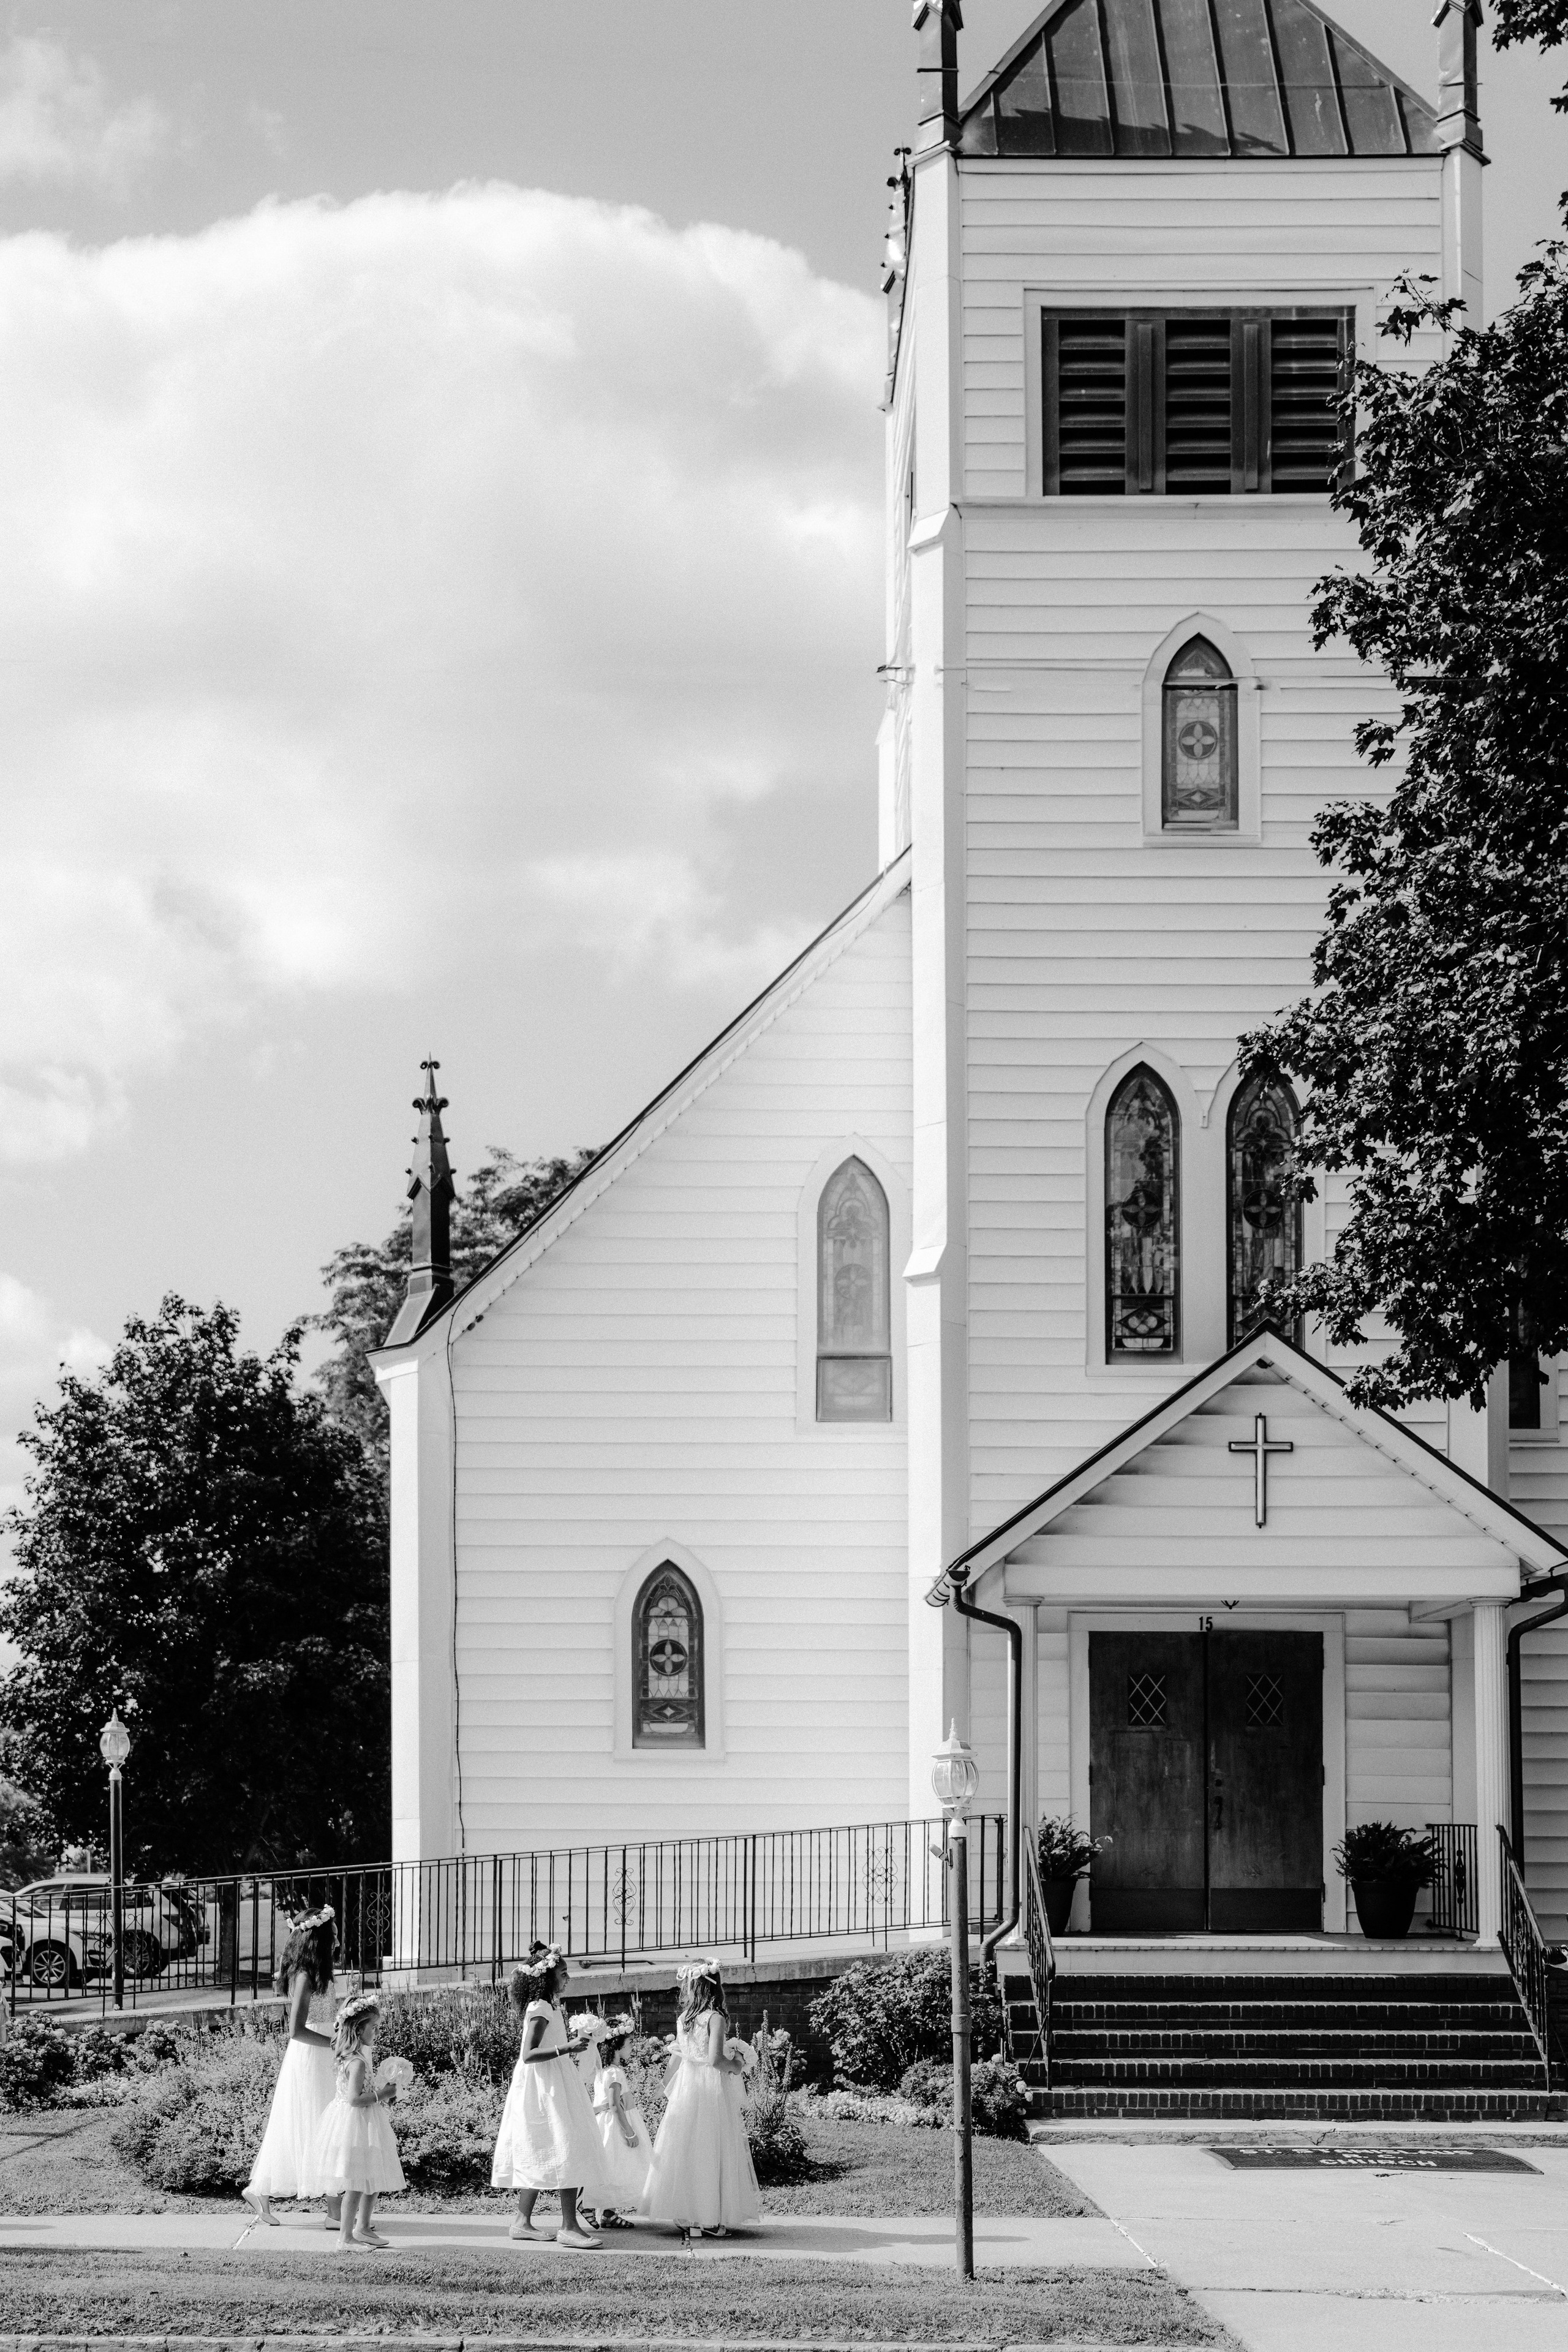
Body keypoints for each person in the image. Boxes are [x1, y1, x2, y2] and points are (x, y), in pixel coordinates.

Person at [491, 1946, 609, 2250]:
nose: (568, 1977)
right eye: (563, 1973)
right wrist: (567, 2049)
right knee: (566, 2144)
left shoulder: (549, 2005)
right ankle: (569, 2227)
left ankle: (522, 2222)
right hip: (544, 2087)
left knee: (546, 2145)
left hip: (556, 2079)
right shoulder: (540, 2007)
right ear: (547, 1978)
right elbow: (528, 2055)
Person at [243, 1905, 342, 2228]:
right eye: (334, 1931)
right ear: (321, 1937)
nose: (338, 1935)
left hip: (326, 2054)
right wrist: (335, 2045)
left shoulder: (323, 1973)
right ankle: (260, 2191)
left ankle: (335, 2212)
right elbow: (296, 2030)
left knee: (329, 2127)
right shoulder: (305, 1976)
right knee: (314, 2123)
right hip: (311, 2058)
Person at [644, 1961, 759, 2238]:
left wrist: (662, 2087)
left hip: (687, 2085)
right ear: (715, 1986)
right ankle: (708, 2219)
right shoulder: (715, 2018)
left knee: (686, 2146)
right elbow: (716, 2060)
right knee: (711, 2146)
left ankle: (689, 2216)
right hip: (709, 2087)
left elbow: (678, 2057)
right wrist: (739, 2064)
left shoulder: (683, 2018)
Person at [311, 1990, 405, 2252]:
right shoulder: (357, 2062)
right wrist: (382, 2094)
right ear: (358, 2029)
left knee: (372, 2177)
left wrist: (385, 2092)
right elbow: (354, 2099)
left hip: (365, 2121)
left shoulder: (356, 2058)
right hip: (354, 2123)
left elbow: (363, 2092)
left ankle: (363, 2228)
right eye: (373, 2028)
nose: (377, 2032)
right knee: (355, 2181)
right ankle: (345, 2238)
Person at [589, 2017, 652, 2227]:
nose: (633, 2047)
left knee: (616, 2167)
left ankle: (609, 2214)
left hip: (607, 2123)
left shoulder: (603, 2071)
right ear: (618, 2046)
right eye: (631, 2043)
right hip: (616, 2126)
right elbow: (615, 2105)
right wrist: (629, 2132)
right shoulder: (615, 2073)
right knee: (616, 2167)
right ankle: (588, 2203)